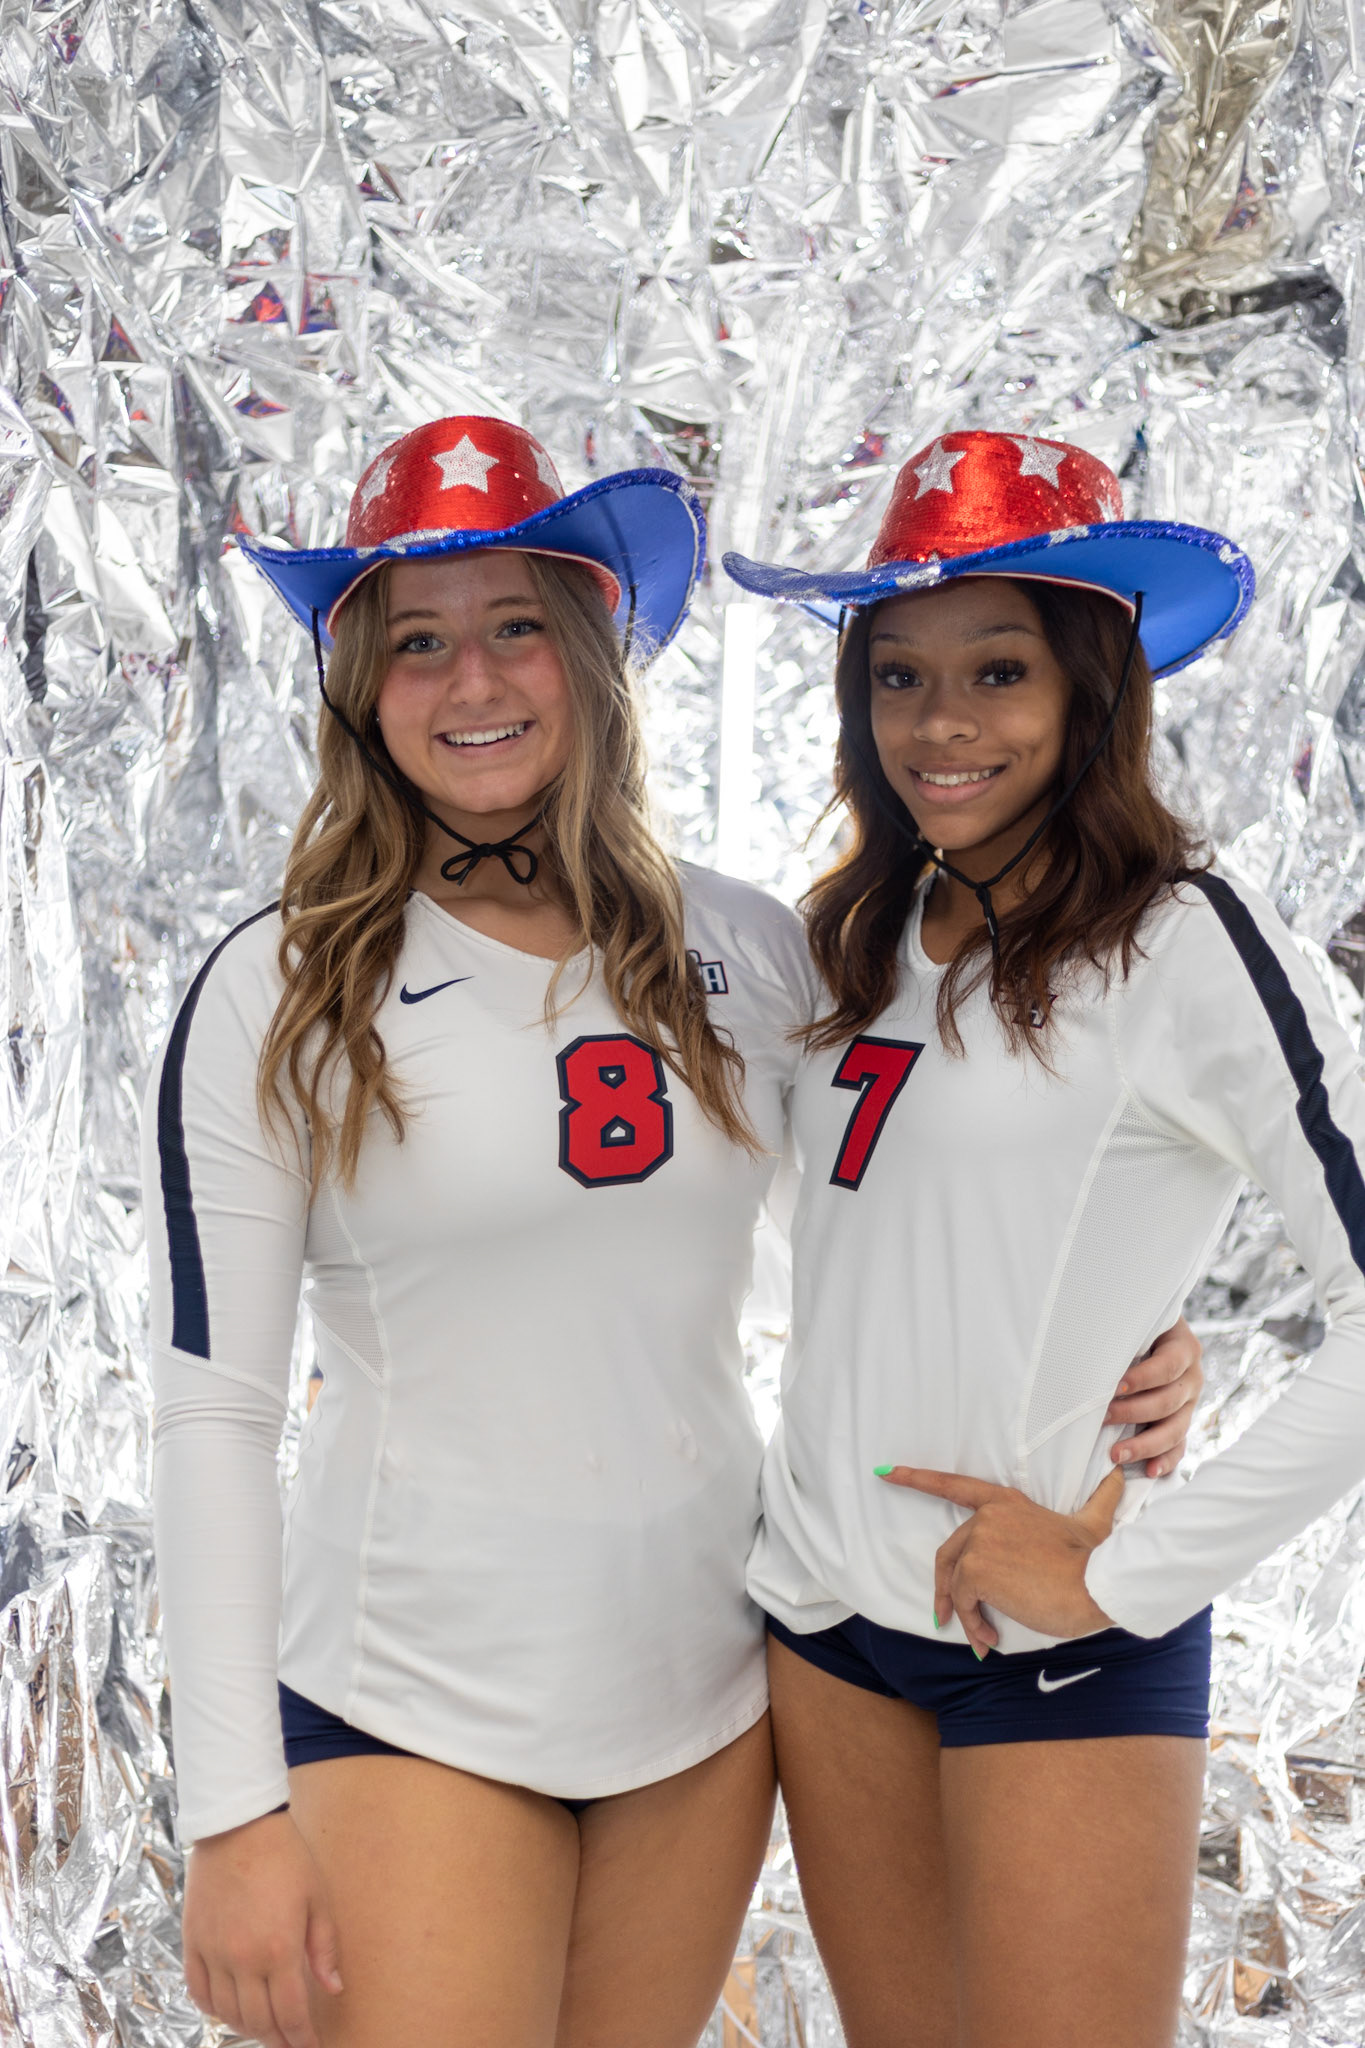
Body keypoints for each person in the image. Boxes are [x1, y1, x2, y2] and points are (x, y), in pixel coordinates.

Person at [144, 416, 1200, 2048]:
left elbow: (897, 1202)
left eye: (516, 629)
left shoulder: (751, 946)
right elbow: (214, 1408)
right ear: (360, 688)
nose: (473, 680)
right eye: (417, 641)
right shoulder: (278, 988)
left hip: (705, 1704)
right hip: (412, 1693)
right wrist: (228, 1809)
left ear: (588, 655)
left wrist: (1125, 1337)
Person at [724, 430, 1365, 2048]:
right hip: (821, 1623)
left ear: (1091, 687)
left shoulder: (1180, 940)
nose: (940, 726)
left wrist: (1131, 1569)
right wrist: (1132, 1332)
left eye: (997, 672)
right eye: (898, 678)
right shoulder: (848, 939)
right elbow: (876, 1241)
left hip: (1047, 1638)